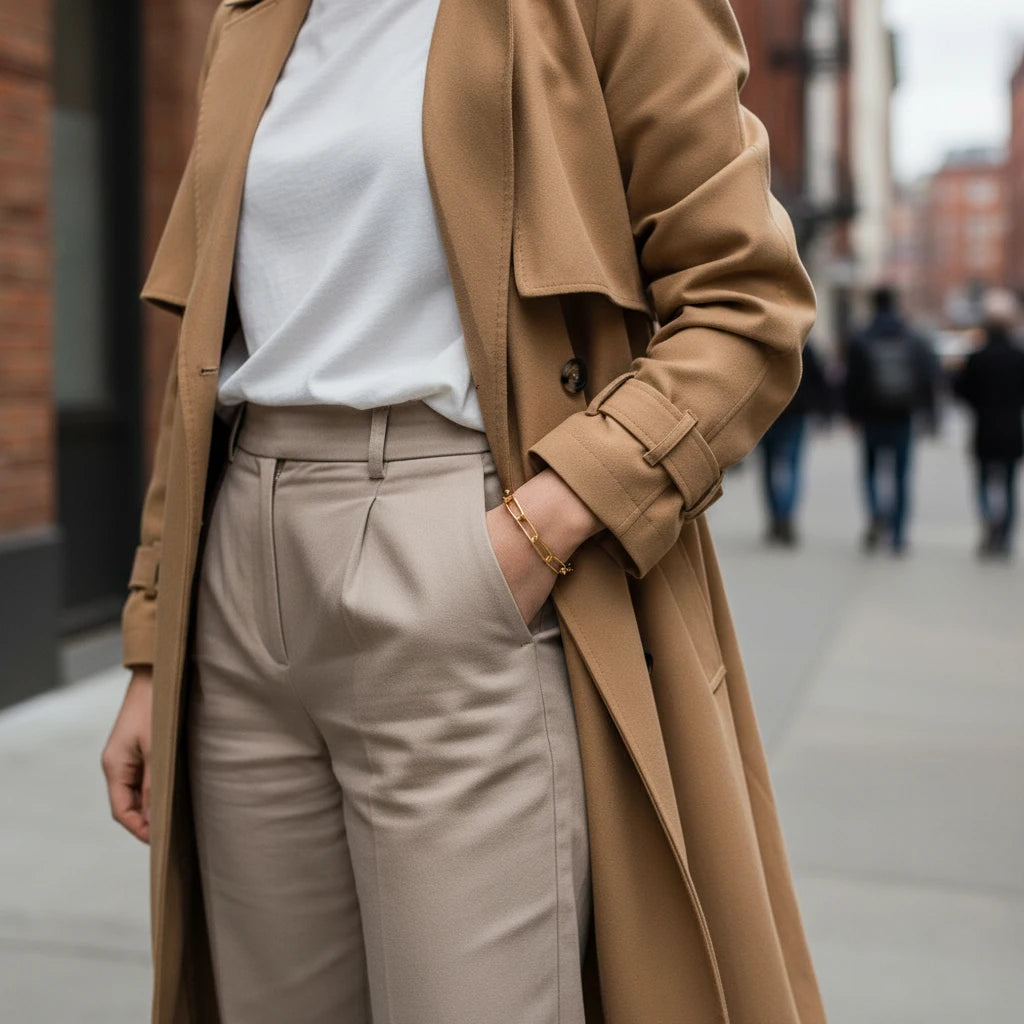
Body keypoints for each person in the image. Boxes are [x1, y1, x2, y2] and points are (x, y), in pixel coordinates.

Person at [100, 0, 826, 1022]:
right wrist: (151, 646)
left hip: (458, 548)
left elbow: (747, 303)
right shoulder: (251, 18)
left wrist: (543, 525)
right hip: (238, 578)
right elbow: (203, 361)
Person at [844, 286, 939, 554]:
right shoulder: (911, 337)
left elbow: (851, 382)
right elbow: (928, 376)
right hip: (903, 416)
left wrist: (852, 416)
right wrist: (929, 414)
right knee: (900, 476)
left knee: (871, 472)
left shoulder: (862, 337)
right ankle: (897, 536)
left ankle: (877, 513)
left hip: (871, 417)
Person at [953, 288, 1024, 558]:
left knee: (983, 481)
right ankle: (1003, 535)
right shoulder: (1018, 357)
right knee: (1008, 484)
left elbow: (961, 390)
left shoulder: (978, 357)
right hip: (1011, 429)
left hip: (984, 427)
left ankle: (988, 524)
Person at [759, 341, 831, 545]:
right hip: (796, 414)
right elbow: (818, 380)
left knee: (768, 467)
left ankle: (775, 516)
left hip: (767, 413)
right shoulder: (804, 344)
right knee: (792, 465)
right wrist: (823, 411)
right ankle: (786, 514)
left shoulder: (765, 342)